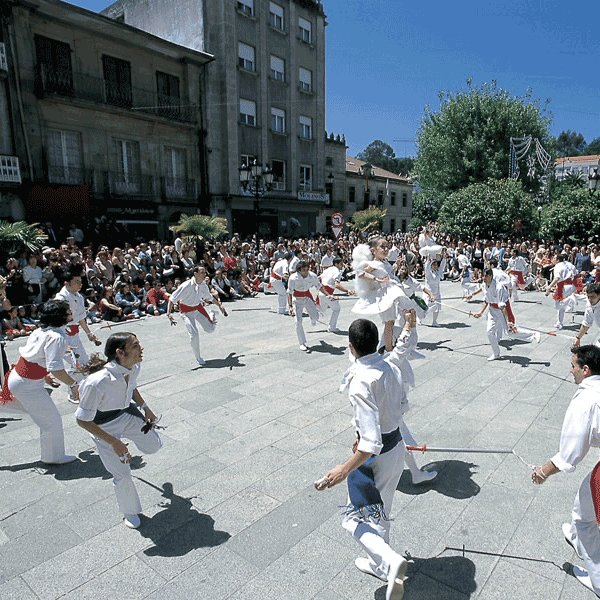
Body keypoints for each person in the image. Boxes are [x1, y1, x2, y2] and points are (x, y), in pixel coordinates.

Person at [317, 319, 407, 600]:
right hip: (396, 449)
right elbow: (403, 405)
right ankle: (381, 565)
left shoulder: (361, 382)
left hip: (373, 458)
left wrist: (342, 471)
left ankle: (390, 561)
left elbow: (369, 443)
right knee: (381, 510)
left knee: (353, 517)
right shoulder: (389, 366)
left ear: (351, 346)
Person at [531, 345, 600, 597]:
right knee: (582, 506)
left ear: (585, 369)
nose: (570, 371)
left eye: (573, 366)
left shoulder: (586, 398)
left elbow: (571, 453)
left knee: (584, 518)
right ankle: (581, 538)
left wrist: (543, 472)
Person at [76, 333, 162, 529]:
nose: (141, 348)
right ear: (120, 352)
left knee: (154, 446)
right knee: (122, 474)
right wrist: (114, 442)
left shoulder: (134, 366)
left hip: (126, 415)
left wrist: (145, 407)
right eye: (135, 345)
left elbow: (131, 388)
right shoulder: (96, 382)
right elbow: (82, 420)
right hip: (102, 426)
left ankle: (135, 439)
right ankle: (130, 512)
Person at [0, 300, 79, 464]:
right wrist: (73, 384)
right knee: (51, 420)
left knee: (43, 416)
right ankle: (53, 457)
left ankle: (52, 456)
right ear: (60, 317)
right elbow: (55, 368)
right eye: (68, 312)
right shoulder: (56, 337)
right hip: (26, 384)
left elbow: (34, 358)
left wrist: (45, 376)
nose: (71, 313)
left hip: (21, 379)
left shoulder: (41, 331)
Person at [351, 238, 410, 352]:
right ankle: (388, 348)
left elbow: (387, 272)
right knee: (389, 322)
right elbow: (360, 273)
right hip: (384, 296)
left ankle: (387, 345)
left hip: (390, 294)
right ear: (374, 250)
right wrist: (376, 279)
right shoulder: (374, 263)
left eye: (387, 246)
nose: (386, 249)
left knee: (391, 322)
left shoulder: (384, 262)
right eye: (382, 247)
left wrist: (395, 266)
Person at [55, 268, 102, 403]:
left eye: (80, 282)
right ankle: (73, 392)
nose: (80, 284)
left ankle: (78, 390)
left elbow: (81, 318)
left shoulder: (79, 297)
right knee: (77, 364)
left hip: (74, 336)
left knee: (83, 363)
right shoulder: (60, 299)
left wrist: (89, 334)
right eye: (76, 282)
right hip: (62, 336)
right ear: (67, 283)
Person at [473, 268, 540, 361]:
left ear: (490, 276)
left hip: (501, 310)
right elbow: (486, 300)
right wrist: (480, 312)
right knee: (489, 332)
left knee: (509, 332)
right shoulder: (484, 285)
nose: (483, 278)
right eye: (482, 275)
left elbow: (502, 306)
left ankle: (533, 334)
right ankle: (496, 354)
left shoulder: (498, 287)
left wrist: (508, 321)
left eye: (485, 276)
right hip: (492, 310)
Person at [167, 266, 227, 366]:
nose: (204, 274)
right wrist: (168, 313)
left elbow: (210, 298)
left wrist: (220, 305)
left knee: (210, 329)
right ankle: (198, 358)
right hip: (186, 312)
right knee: (194, 335)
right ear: (195, 273)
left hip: (198, 309)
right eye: (202, 272)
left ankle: (212, 314)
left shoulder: (203, 286)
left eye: (205, 272)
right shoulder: (186, 285)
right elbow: (172, 298)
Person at [288, 260, 332, 351]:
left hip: (308, 298)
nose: (306, 272)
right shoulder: (293, 278)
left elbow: (319, 287)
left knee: (316, 317)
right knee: (298, 321)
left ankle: (313, 319)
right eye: (304, 270)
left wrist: (328, 295)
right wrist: (290, 307)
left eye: (307, 269)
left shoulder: (312, 276)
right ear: (299, 270)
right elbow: (289, 292)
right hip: (297, 300)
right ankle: (302, 343)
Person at [318, 257, 355, 333]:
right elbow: (337, 285)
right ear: (336, 264)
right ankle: (332, 327)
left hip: (322, 292)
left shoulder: (328, 269)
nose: (342, 265)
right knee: (336, 309)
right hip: (327, 293)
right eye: (341, 264)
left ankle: (310, 309)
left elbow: (319, 278)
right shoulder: (337, 272)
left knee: (322, 310)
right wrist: (347, 291)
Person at [546, 253, 577, 330]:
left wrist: (549, 287)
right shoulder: (569, 264)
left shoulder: (557, 266)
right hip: (571, 285)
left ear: (557, 260)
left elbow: (557, 278)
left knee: (558, 305)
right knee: (560, 307)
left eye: (554, 258)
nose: (552, 259)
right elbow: (576, 274)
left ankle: (570, 299)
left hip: (563, 286)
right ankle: (559, 323)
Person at [574, 283, 600, 348]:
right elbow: (586, 323)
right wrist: (578, 338)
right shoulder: (589, 304)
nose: (590, 300)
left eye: (593, 297)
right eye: (588, 297)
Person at [424, 255, 446, 327]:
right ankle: (419, 318)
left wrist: (444, 258)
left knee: (437, 307)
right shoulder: (428, 273)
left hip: (437, 292)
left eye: (436, 264)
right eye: (433, 264)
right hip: (429, 293)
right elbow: (426, 267)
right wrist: (428, 260)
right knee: (426, 308)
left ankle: (434, 321)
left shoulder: (438, 272)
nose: (435, 266)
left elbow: (442, 266)